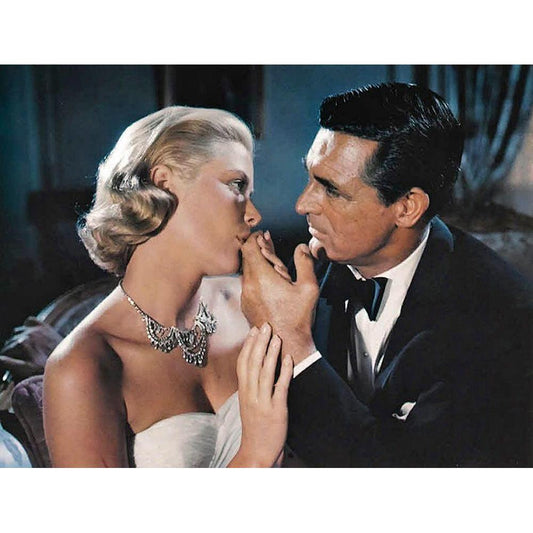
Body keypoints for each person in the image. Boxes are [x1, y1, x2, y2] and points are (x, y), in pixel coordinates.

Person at [241, 82, 533, 467]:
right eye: (310, 178)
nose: (302, 204)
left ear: (407, 208)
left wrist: (293, 342)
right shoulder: (306, 270)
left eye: (332, 190)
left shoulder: (499, 317)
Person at [43, 106, 293, 468]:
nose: (254, 214)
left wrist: (291, 324)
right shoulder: (84, 364)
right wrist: (255, 456)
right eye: (237, 186)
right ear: (163, 183)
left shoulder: (252, 304)